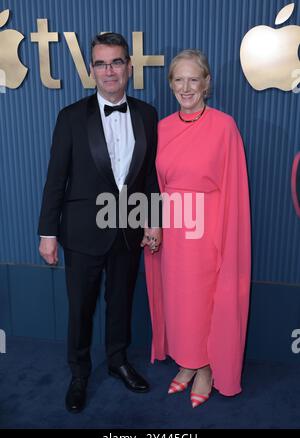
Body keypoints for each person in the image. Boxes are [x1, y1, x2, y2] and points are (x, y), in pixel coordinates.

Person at [38, 32, 161, 413]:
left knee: (121, 302)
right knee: (81, 308)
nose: (110, 70)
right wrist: (48, 233)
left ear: (130, 67)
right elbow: (56, 179)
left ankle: (118, 361)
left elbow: (152, 177)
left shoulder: (147, 113)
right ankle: (79, 373)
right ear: (91, 69)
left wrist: (153, 221)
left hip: (129, 228)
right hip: (82, 232)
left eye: (117, 62)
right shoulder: (71, 117)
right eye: (102, 63)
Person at [144, 49, 251, 408]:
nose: (186, 87)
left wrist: (226, 237)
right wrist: (153, 222)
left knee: (205, 300)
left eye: (194, 79)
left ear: (207, 84)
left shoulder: (224, 126)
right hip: (173, 229)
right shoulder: (160, 128)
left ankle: (205, 367)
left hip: (209, 229)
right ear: (170, 84)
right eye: (179, 80)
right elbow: (154, 184)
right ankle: (186, 363)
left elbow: (234, 186)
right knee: (177, 300)